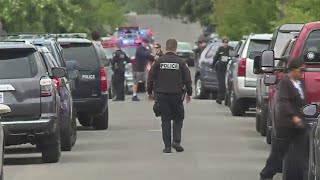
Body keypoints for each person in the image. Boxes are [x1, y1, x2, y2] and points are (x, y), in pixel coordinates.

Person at [259, 58, 308, 180]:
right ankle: (266, 175)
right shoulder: (284, 83)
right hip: (286, 124)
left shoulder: (300, 83)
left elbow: (301, 101)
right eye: (301, 70)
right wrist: (294, 116)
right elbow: (283, 102)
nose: (303, 73)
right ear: (292, 70)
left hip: (299, 125)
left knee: (301, 152)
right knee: (278, 153)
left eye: (304, 71)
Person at [147, 39, 192, 153]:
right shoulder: (181, 62)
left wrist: (149, 92)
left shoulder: (158, 62)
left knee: (165, 120)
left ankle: (167, 146)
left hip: (161, 95)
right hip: (176, 95)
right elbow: (187, 79)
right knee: (178, 118)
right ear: (175, 48)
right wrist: (189, 93)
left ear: (166, 48)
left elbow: (151, 77)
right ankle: (176, 141)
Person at [212, 37, 234, 104]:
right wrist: (212, 66)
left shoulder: (231, 49)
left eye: (226, 42)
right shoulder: (220, 49)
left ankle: (226, 99)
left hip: (227, 69)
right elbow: (216, 57)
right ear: (222, 43)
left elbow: (235, 57)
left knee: (227, 84)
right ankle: (219, 98)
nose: (225, 44)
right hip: (220, 68)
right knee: (221, 84)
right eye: (224, 42)